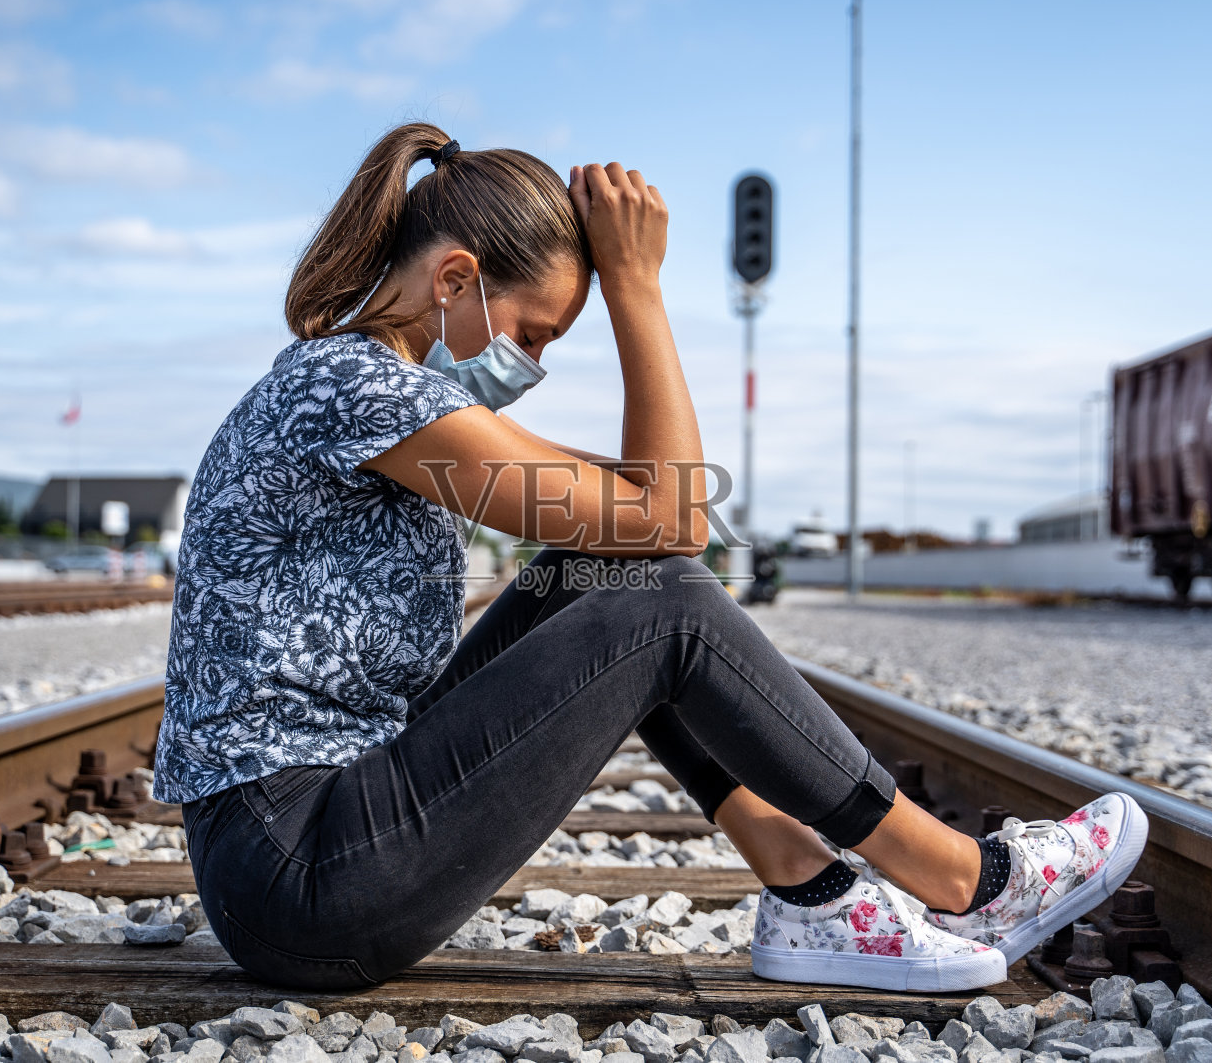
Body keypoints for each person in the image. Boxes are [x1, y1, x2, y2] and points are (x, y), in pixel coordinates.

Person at [156, 121, 1148, 994]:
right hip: (299, 880)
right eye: (533, 333)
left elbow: (641, 517)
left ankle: (813, 892)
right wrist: (636, 287)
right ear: (456, 279)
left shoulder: (376, 391)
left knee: (611, 572)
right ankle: (970, 882)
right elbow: (675, 513)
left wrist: (643, 493)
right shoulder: (356, 390)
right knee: (662, 602)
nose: (530, 367)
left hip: (313, 839)